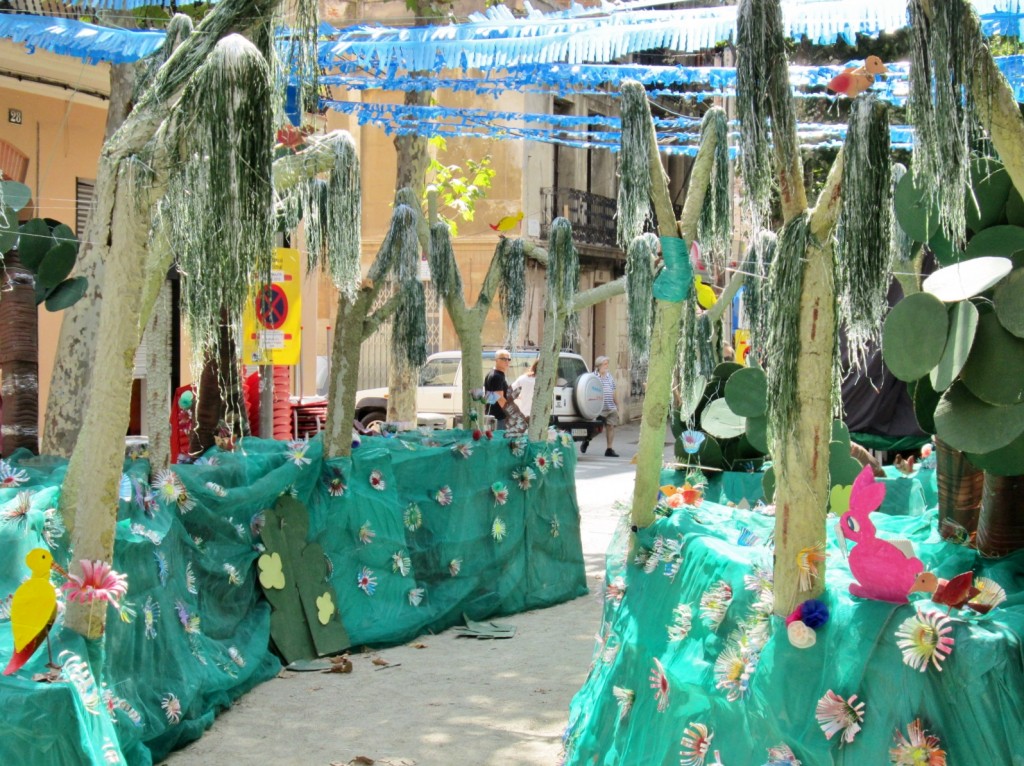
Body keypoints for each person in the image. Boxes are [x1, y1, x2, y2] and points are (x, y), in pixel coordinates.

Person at [582, 355, 620, 457]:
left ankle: (609, 449)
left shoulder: (609, 376)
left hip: (610, 407)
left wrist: (617, 403)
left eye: (607, 364)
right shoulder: (593, 377)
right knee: (595, 429)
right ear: (599, 366)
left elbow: (613, 391)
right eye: (605, 364)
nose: (607, 366)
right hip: (598, 408)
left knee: (610, 427)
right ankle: (586, 440)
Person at [484, 349, 513, 428]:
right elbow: (499, 397)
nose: (507, 361)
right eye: (503, 359)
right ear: (496, 360)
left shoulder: (494, 374)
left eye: (508, 359)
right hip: (499, 418)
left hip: (493, 416)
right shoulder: (497, 376)